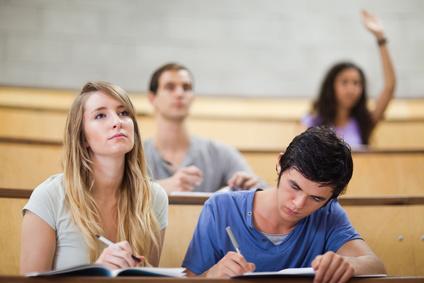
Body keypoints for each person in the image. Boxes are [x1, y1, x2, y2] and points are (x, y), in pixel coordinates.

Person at [182, 126, 386, 282]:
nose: (298, 204)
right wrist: (211, 275)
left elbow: (376, 265)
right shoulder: (221, 208)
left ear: (330, 199)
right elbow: (190, 278)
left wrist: (348, 264)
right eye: (294, 186)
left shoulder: (328, 214)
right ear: (280, 164)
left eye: (316, 198)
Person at [20, 81, 168, 273]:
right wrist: (96, 272)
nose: (117, 122)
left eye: (123, 113)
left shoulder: (154, 197)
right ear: (83, 137)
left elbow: (147, 276)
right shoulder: (48, 197)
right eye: (100, 115)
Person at [144, 63, 261, 194]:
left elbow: (263, 191)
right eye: (170, 87)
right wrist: (160, 189)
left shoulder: (219, 153)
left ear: (193, 97)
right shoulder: (135, 155)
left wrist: (252, 189)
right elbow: (118, 195)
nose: (180, 93)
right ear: (152, 98)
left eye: (186, 87)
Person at [303, 10, 396, 148]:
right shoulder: (312, 122)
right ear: (331, 86)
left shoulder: (363, 122)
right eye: (344, 82)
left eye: (357, 83)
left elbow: (389, 87)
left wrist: (380, 37)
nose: (351, 89)